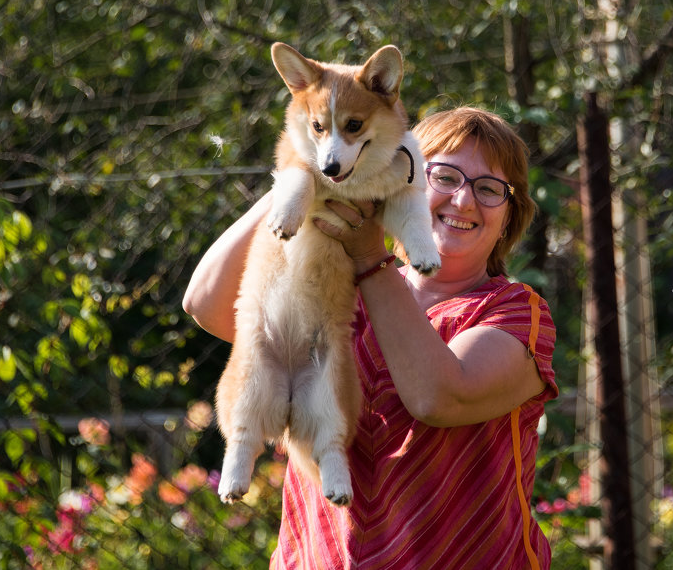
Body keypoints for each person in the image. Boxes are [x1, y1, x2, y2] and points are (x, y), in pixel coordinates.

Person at [183, 106, 557, 569]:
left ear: (509, 215)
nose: (463, 202)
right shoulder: (332, 287)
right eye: (443, 177)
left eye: (488, 189)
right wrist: (308, 170)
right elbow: (205, 302)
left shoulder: (516, 311)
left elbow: (439, 398)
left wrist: (369, 258)